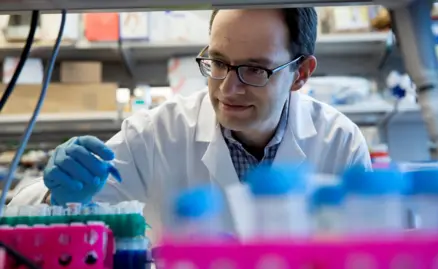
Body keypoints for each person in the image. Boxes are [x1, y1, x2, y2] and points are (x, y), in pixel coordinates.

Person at [9, 8, 371, 237]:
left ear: (300, 74)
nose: (228, 88)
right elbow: (19, 220)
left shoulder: (338, 142)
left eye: (254, 69)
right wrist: (54, 194)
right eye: (218, 62)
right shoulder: (153, 134)